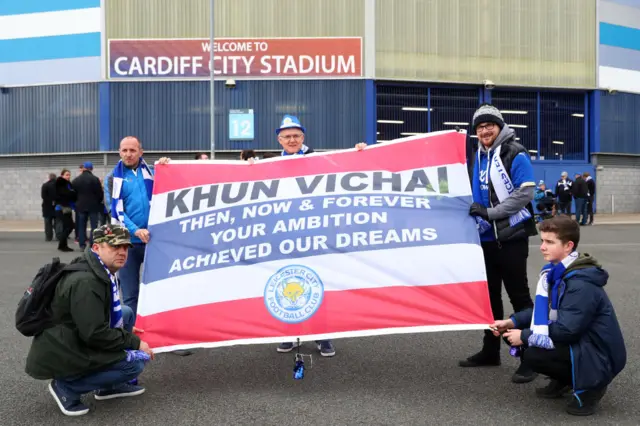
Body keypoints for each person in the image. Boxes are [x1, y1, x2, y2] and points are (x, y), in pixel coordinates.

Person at [493, 215, 626, 416]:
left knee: (532, 352)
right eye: (542, 240)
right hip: (582, 343)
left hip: (599, 354)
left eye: (549, 242)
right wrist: (512, 322)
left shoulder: (580, 283)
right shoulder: (555, 273)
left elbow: (567, 330)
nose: (542, 247)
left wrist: (524, 335)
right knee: (514, 335)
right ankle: (566, 379)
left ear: (568, 246)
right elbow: (544, 313)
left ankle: (592, 388)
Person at [25, 224, 155, 417]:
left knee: (125, 313)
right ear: (96, 247)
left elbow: (99, 319)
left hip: (73, 337)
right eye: (114, 246)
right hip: (64, 349)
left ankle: (109, 387)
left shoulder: (97, 268)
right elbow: (94, 334)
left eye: (125, 247)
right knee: (133, 365)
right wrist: (135, 342)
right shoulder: (86, 282)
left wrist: (121, 328)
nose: (122, 252)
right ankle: (66, 387)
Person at [462, 104, 538, 383]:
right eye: (479, 127)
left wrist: (491, 213)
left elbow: (524, 194)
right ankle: (490, 350)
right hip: (484, 238)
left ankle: (531, 357)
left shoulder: (514, 152)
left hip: (511, 237)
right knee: (489, 298)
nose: (484, 130)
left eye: (489, 125)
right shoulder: (476, 155)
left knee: (520, 298)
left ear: (500, 126)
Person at [105, 137, 188, 355]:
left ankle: (169, 340)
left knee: (163, 291)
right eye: (124, 150)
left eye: (133, 150)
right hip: (127, 244)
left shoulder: (153, 172)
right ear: (119, 152)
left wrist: (167, 166)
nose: (128, 154)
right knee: (130, 295)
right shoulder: (113, 178)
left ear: (141, 152)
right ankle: (133, 341)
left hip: (155, 241)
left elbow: (173, 191)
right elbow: (116, 212)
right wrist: (135, 230)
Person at [71, 162, 104, 249]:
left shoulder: (76, 180)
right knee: (94, 226)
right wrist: (97, 201)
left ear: (84, 168)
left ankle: (82, 244)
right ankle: (92, 244)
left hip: (80, 206)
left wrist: (76, 202)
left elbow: (72, 193)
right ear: (91, 169)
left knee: (82, 226)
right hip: (93, 206)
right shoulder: (95, 179)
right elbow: (100, 194)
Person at [54, 169, 77, 252]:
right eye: (66, 175)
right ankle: (62, 245)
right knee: (69, 226)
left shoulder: (68, 184)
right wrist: (72, 193)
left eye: (69, 175)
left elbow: (71, 195)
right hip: (61, 208)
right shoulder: (60, 183)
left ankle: (63, 245)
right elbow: (66, 194)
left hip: (67, 208)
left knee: (68, 226)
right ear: (62, 175)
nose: (68, 176)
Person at [41, 173, 57, 241]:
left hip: (47, 206)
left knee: (48, 223)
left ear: (49, 178)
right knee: (58, 222)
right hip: (57, 206)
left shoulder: (45, 185)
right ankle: (58, 236)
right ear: (56, 178)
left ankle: (48, 237)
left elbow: (43, 196)